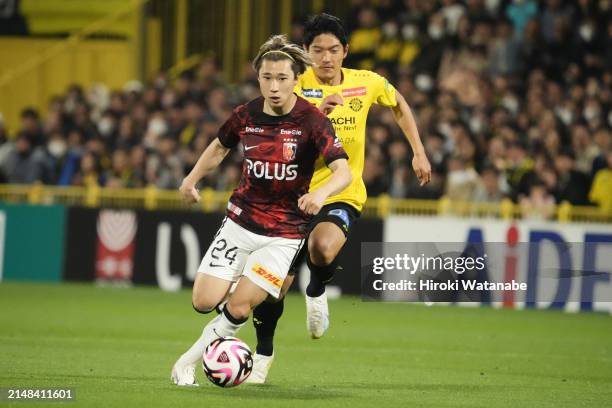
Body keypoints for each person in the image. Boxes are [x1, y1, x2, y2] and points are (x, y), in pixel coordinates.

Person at [248, 13, 431, 383]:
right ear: (306, 53)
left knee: (324, 248)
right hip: (291, 193)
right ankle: (263, 354)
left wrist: (418, 151)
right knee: (275, 285)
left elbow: (398, 105)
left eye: (333, 50)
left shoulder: (367, 83)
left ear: (346, 51)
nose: (326, 58)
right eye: (318, 51)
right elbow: (275, 136)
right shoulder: (292, 85)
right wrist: (314, 115)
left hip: (340, 190)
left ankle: (316, 289)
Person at [170, 34, 352, 386]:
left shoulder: (313, 121)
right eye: (267, 78)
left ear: (297, 79)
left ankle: (185, 363)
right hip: (240, 222)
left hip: (284, 235)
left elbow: (342, 172)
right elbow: (219, 147)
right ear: (259, 79)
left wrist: (321, 194)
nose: (274, 86)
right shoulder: (246, 114)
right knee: (203, 301)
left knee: (239, 308)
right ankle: (244, 280)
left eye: (282, 79)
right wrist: (191, 180)